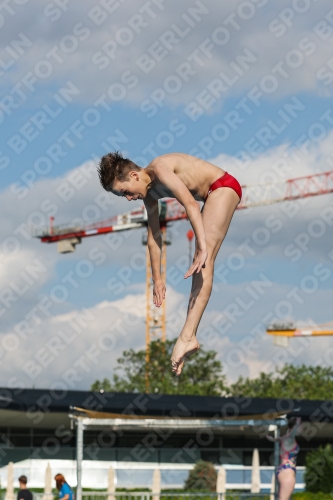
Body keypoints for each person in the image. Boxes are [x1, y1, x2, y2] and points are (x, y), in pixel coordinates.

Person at [97, 152, 242, 375]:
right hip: (210, 195)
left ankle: (187, 336)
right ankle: (189, 336)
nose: (128, 199)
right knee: (199, 263)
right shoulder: (148, 194)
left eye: (125, 192)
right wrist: (157, 278)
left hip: (222, 186)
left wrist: (203, 247)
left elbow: (191, 205)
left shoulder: (161, 169)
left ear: (134, 175)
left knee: (204, 261)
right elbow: (154, 236)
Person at [266, 417, 301, 500]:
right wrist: (297, 424)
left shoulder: (285, 438)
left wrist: (272, 439)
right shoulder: (290, 439)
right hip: (287, 471)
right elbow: (292, 433)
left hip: (284, 470)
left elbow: (278, 439)